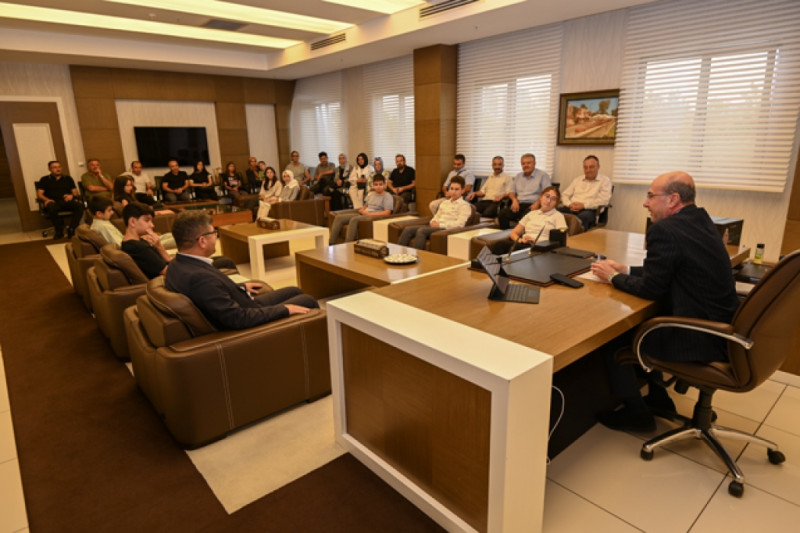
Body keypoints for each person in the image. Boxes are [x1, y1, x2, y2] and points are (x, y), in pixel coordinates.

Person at [590, 171, 740, 432]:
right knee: (648, 325)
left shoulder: (665, 230)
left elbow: (651, 288)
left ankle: (636, 414)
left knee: (614, 338)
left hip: (699, 336)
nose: (645, 203)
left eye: (650, 196)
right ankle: (659, 397)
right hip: (722, 330)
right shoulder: (701, 220)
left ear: (673, 199)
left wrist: (612, 277)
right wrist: (626, 270)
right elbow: (673, 267)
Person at [164, 210, 318, 331]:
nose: (216, 237)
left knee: (294, 290)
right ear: (202, 241)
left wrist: (240, 287)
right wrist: (284, 310)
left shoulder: (177, 264)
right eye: (213, 233)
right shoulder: (200, 279)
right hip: (249, 316)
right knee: (308, 300)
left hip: (243, 303)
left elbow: (212, 295)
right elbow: (237, 318)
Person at [120, 202, 230, 278]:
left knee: (221, 259)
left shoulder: (135, 243)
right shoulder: (138, 248)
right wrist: (159, 246)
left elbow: (166, 262)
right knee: (225, 262)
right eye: (147, 220)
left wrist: (159, 247)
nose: (152, 225)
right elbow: (168, 271)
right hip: (182, 274)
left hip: (179, 268)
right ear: (132, 222)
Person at [399, 176, 471, 250]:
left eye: (456, 189)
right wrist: (433, 221)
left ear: (462, 190)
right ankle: (397, 253)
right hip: (435, 226)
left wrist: (440, 225)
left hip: (445, 229)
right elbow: (437, 216)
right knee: (407, 229)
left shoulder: (464, 206)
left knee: (422, 231)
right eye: (451, 189)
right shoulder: (445, 202)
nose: (453, 192)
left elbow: (460, 224)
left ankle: (415, 255)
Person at [490, 186, 566, 254]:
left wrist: (537, 241)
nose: (549, 201)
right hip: (524, 244)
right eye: (547, 196)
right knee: (499, 245)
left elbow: (561, 239)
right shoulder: (531, 214)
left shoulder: (558, 216)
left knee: (501, 247)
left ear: (556, 203)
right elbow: (514, 233)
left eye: (553, 199)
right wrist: (520, 240)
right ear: (541, 197)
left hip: (541, 247)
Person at [329, 173, 394, 243]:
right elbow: (366, 205)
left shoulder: (387, 196)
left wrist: (369, 214)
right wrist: (362, 210)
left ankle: (347, 244)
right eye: (376, 184)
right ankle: (331, 243)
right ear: (373, 185)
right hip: (364, 214)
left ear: (384, 184)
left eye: (380, 184)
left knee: (354, 219)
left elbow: (387, 212)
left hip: (372, 216)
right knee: (339, 218)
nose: (378, 187)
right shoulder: (371, 194)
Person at [558, 155, 612, 231]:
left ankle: (573, 238)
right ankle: (557, 236)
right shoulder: (577, 180)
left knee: (581, 219)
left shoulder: (605, 181)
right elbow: (565, 194)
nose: (588, 170)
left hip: (590, 210)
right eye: (585, 167)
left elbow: (603, 201)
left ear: (598, 167)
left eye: (591, 167)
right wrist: (570, 204)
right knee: (554, 213)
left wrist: (584, 206)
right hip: (572, 207)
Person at [497, 153, 551, 229]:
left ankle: (520, 235)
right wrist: (514, 200)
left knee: (525, 217)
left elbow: (548, 193)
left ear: (534, 164)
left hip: (534, 205)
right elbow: (511, 192)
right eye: (523, 163)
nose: (526, 165)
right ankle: (506, 234)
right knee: (502, 213)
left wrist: (538, 203)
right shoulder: (518, 176)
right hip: (519, 205)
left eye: (528, 163)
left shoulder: (543, 175)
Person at [36, 160, 83, 239]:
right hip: (53, 202)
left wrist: (71, 196)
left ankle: (72, 228)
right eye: (54, 167)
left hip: (66, 201)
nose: (58, 169)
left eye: (59, 167)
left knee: (80, 206)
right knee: (51, 207)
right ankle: (59, 230)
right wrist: (46, 199)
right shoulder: (44, 179)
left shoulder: (68, 178)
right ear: (49, 169)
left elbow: (75, 192)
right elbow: (39, 194)